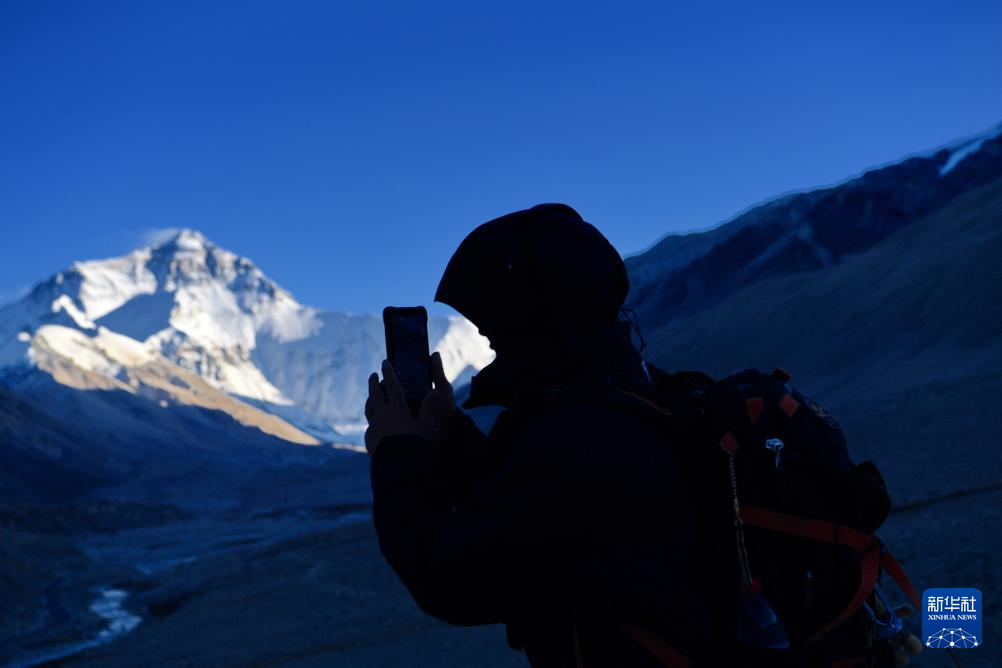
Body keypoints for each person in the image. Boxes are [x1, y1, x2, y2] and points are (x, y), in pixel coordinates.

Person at [364, 204, 713, 666]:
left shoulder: (580, 435)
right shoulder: (629, 394)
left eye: (494, 321)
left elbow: (449, 576)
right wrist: (449, 436)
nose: (486, 336)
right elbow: (524, 507)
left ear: (531, 312)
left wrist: (397, 453)